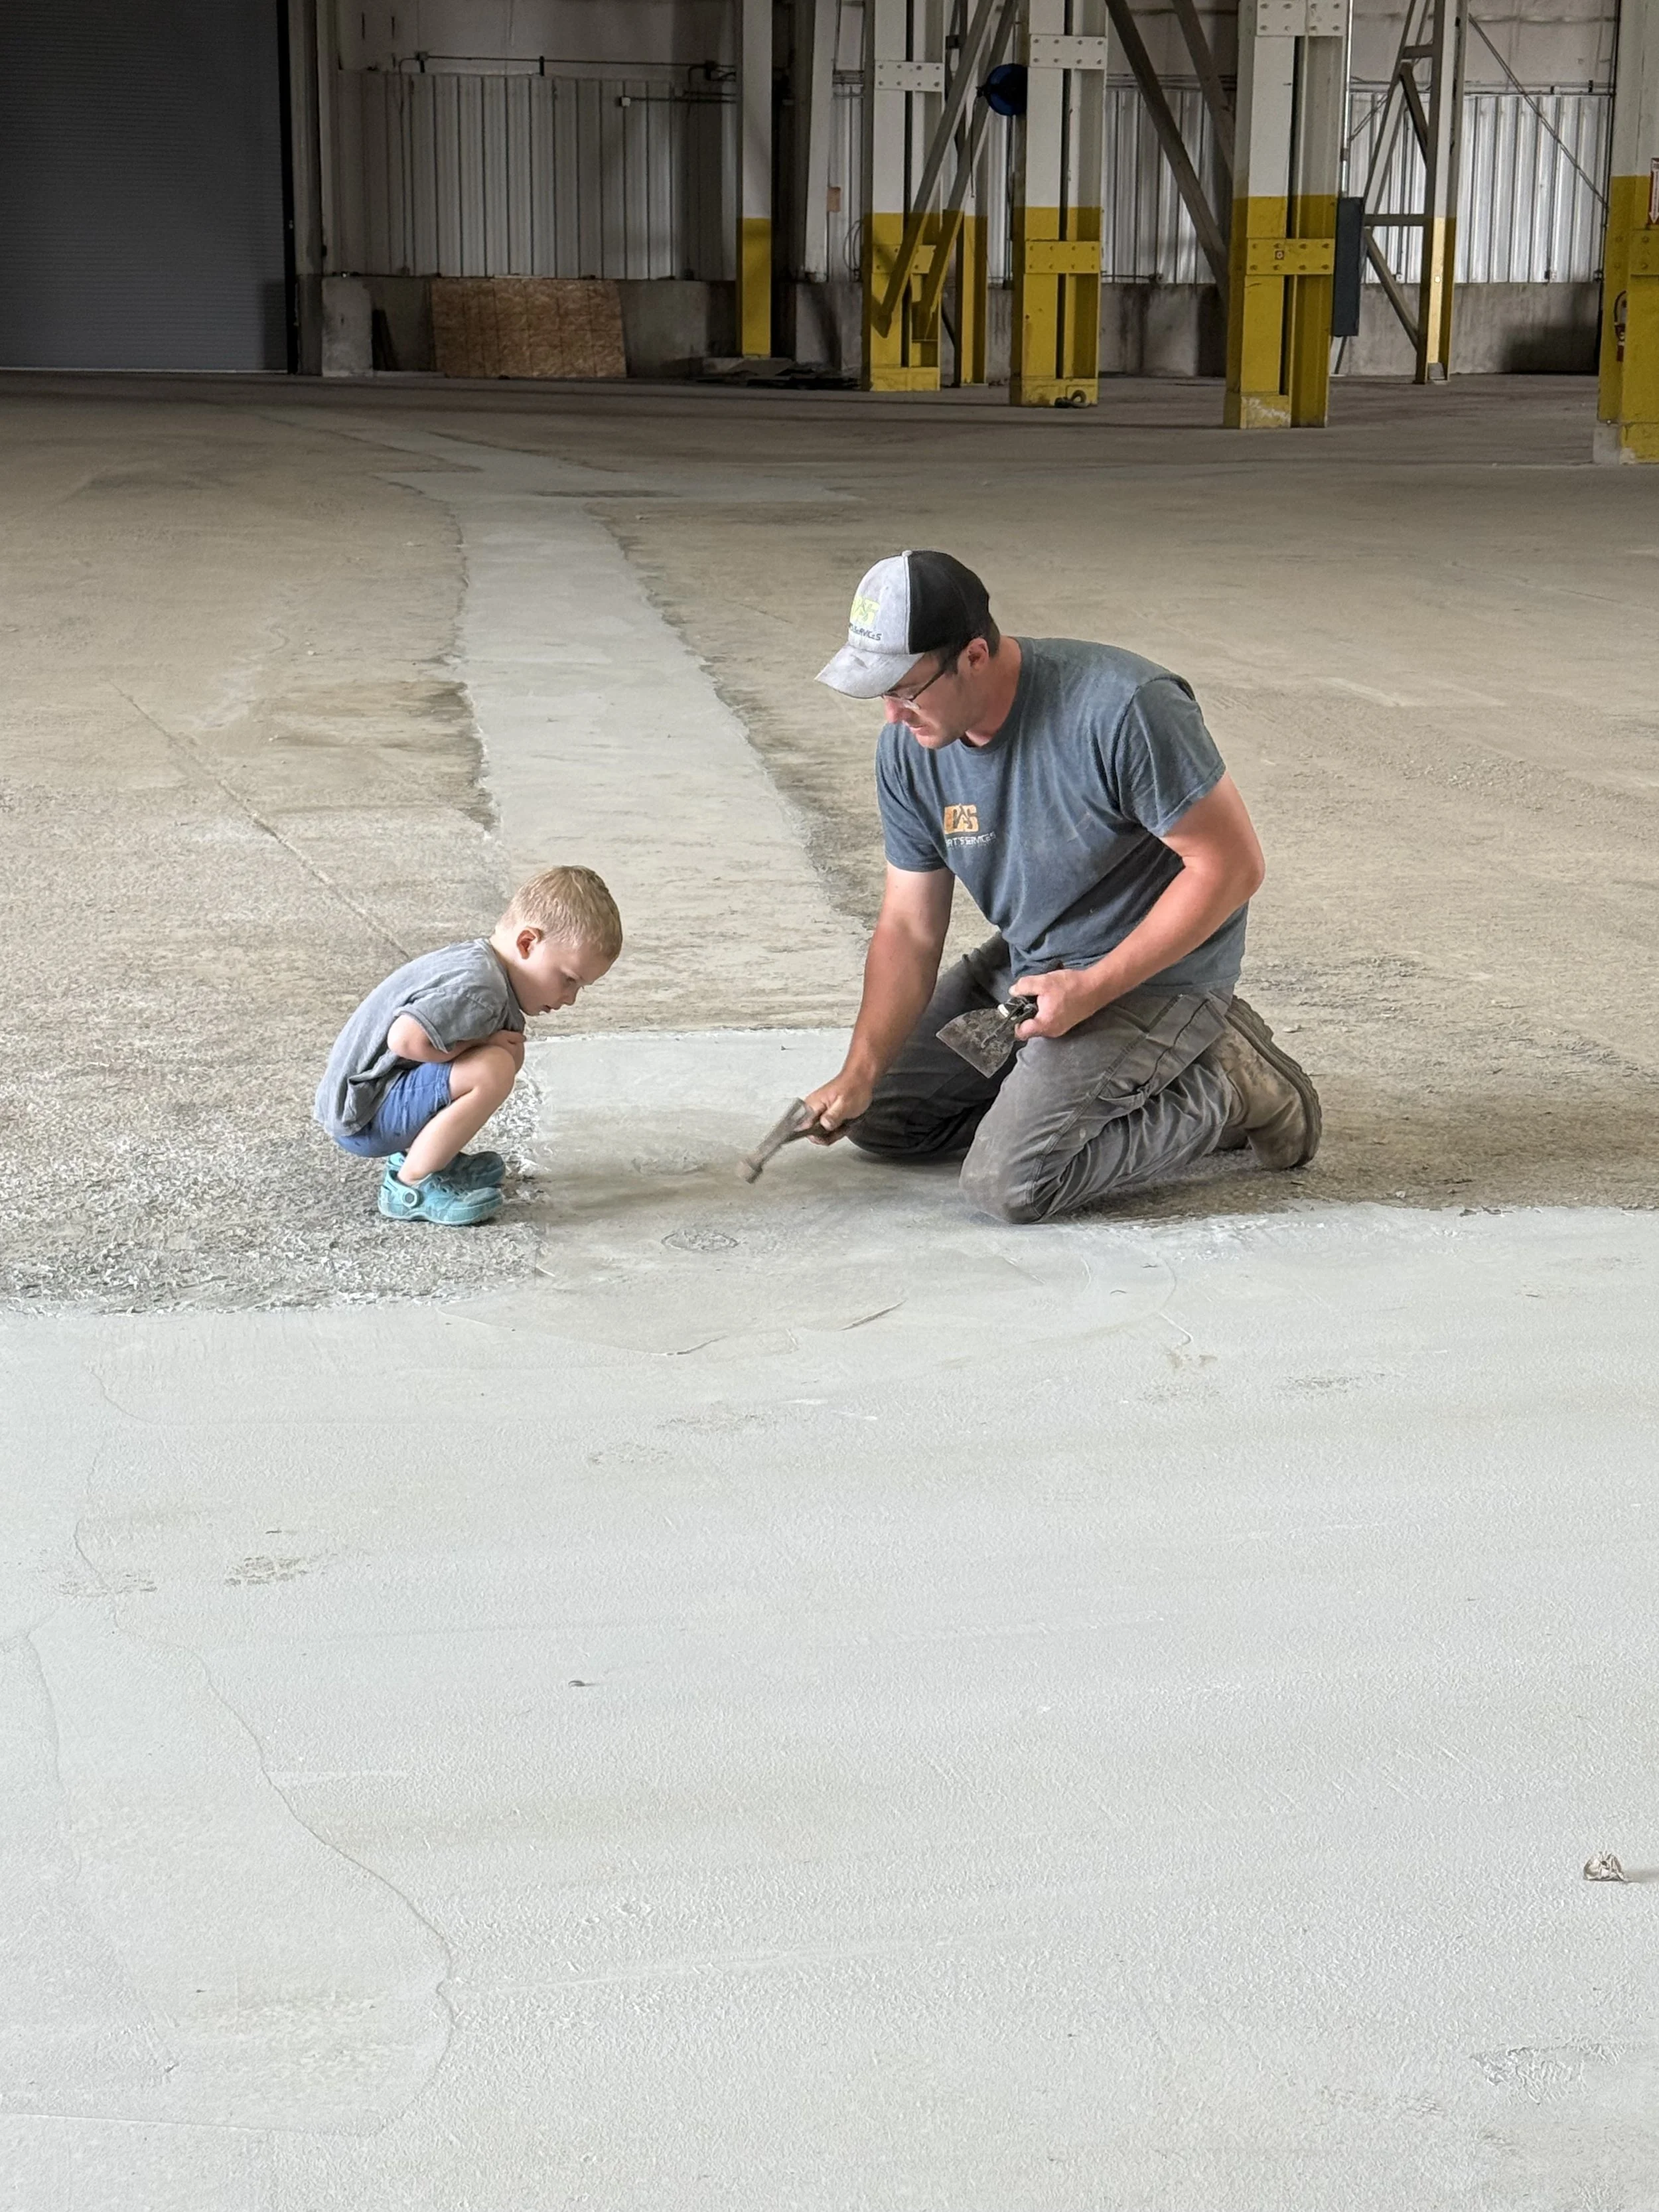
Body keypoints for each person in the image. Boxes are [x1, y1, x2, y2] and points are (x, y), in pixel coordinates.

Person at [804, 550, 1319, 1224]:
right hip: (1031, 966)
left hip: (1155, 977)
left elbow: (1231, 867)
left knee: (1011, 1184)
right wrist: (859, 1070)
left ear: (975, 656)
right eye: (880, 696)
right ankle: (1084, 1092)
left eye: (904, 690)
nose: (893, 718)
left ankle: (1227, 1082)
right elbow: (908, 926)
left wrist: (1091, 989)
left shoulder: (1121, 708)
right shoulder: (909, 750)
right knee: (886, 1122)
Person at [315, 865, 621, 1226]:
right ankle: (411, 1184)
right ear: (527, 943)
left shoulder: (484, 966)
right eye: (568, 979)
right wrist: (484, 1040)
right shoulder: (480, 988)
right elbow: (406, 1038)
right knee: (493, 1068)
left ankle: (433, 1157)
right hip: (363, 1115)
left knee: (505, 1054)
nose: (570, 998)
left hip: (367, 1102)